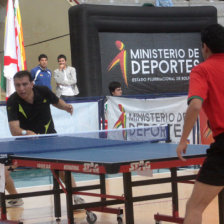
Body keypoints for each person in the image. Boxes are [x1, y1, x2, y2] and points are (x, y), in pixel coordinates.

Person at [5, 70, 84, 207]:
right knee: (1, 172)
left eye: (24, 84)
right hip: (25, 144)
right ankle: (16, 198)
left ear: (32, 84)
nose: (21, 88)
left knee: (63, 169)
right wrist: (26, 133)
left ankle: (76, 196)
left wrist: (66, 107)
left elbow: (55, 101)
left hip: (49, 140)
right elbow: (14, 130)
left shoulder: (43, 91)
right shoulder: (12, 101)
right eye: (17, 85)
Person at [176, 23, 224, 224]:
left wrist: (183, 139)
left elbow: (195, 105)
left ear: (205, 46)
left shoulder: (202, 70)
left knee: (194, 207)